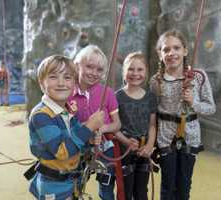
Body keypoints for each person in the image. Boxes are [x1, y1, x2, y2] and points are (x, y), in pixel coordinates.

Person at [149, 29, 216, 200]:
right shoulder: (156, 81)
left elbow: (210, 108)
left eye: (176, 48)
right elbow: (153, 114)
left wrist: (194, 102)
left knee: (184, 186)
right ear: (160, 54)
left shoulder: (198, 77)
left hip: (190, 137)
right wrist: (151, 141)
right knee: (167, 186)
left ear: (185, 51)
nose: (171, 53)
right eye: (166, 49)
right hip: (165, 138)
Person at [27, 55, 105, 200]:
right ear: (41, 83)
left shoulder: (67, 111)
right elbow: (62, 151)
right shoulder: (41, 116)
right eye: (53, 77)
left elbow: (76, 138)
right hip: (53, 185)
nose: (61, 83)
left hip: (71, 181)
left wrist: (91, 140)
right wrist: (89, 127)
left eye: (67, 77)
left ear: (74, 83)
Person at [68, 45, 122, 200]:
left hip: (104, 148)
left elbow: (117, 124)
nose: (93, 73)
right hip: (78, 147)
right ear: (77, 65)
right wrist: (88, 128)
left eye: (99, 70)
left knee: (106, 187)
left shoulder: (108, 93)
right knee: (75, 186)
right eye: (89, 67)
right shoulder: (68, 92)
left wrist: (102, 128)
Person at [115, 52, 157, 200]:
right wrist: (126, 142)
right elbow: (115, 127)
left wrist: (150, 146)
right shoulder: (117, 97)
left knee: (141, 192)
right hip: (125, 150)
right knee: (125, 191)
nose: (135, 73)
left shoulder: (150, 97)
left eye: (140, 70)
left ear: (145, 72)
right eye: (131, 69)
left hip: (144, 149)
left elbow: (152, 124)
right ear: (124, 71)